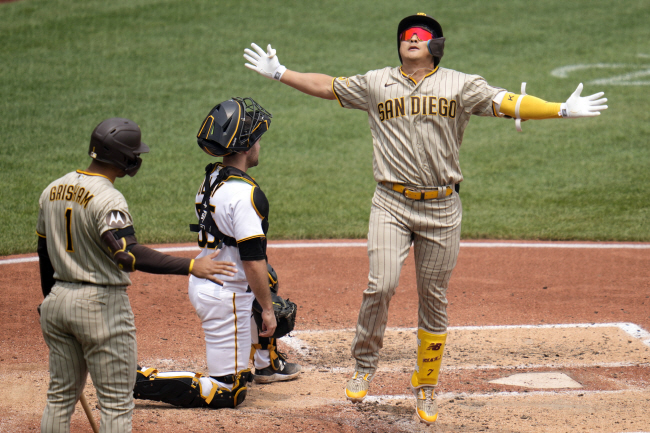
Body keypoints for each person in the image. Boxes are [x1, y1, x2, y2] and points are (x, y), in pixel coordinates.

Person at [242, 12, 607, 424]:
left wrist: (560, 110)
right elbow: (328, 86)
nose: (412, 39)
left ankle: (427, 386)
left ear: (436, 45)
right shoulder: (377, 82)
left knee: (434, 300)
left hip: (442, 207)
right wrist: (280, 73)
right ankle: (365, 364)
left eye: (421, 35)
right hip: (391, 203)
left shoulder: (461, 84)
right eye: (405, 36)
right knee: (381, 284)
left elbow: (507, 103)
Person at [37, 117, 237, 433]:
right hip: (99, 307)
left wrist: (48, 298)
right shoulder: (109, 198)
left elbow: (43, 252)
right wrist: (190, 265)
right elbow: (132, 254)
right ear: (123, 158)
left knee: (60, 398)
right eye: (134, 153)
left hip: (57, 302)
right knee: (117, 404)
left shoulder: (53, 189)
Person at [133, 97, 300, 410]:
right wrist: (265, 309)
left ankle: (265, 364)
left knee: (268, 277)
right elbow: (251, 260)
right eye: (257, 139)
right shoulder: (246, 194)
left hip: (212, 278)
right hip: (226, 298)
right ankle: (139, 381)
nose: (260, 144)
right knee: (229, 392)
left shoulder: (212, 177)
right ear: (246, 147)